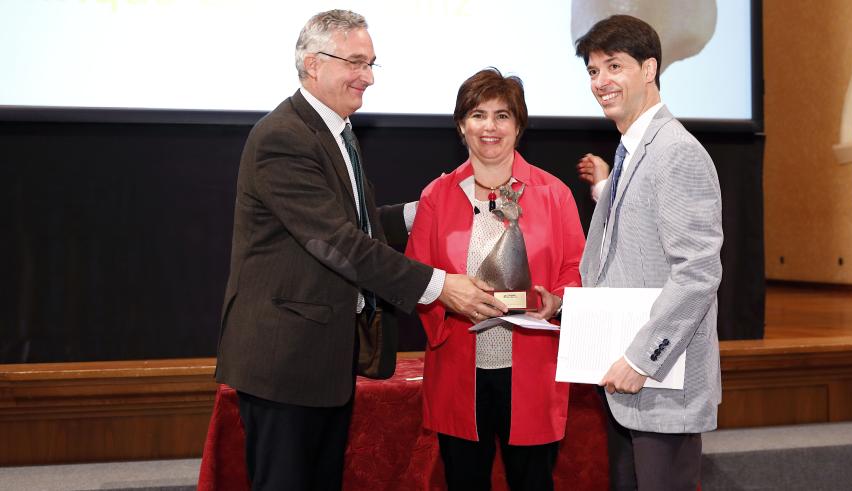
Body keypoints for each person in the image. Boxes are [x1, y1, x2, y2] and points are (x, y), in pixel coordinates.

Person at [214, 10, 505, 490]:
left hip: (322, 359)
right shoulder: (282, 138)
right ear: (313, 64)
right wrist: (437, 286)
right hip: (283, 362)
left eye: (371, 64)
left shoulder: (337, 133)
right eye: (356, 63)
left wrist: (427, 209)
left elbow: (361, 225)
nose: (368, 77)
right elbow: (337, 242)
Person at [405, 68, 586, 490]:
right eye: (478, 114)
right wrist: (448, 298)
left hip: (533, 368)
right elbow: (417, 274)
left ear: (519, 126)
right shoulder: (437, 195)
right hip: (459, 367)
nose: (490, 127)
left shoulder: (553, 193)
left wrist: (557, 301)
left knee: (534, 482)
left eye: (503, 115)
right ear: (461, 125)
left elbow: (576, 267)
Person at [574, 15, 724, 491]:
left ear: (649, 68)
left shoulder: (676, 151)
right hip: (626, 382)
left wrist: (641, 359)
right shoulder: (631, 150)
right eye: (593, 71)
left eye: (613, 66)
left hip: (660, 381)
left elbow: (697, 272)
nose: (601, 82)